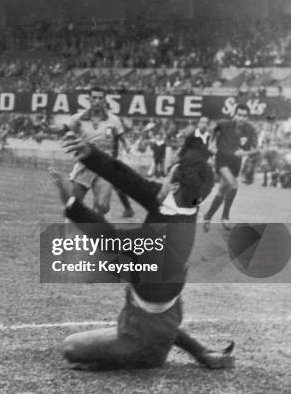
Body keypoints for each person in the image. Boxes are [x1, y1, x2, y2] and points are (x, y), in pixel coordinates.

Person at [50, 136, 233, 370]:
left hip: (146, 324)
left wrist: (72, 202)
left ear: (175, 186)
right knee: (157, 314)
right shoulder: (183, 202)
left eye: (166, 177)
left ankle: (145, 355)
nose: (160, 181)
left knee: (71, 347)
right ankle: (200, 351)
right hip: (164, 305)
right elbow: (128, 180)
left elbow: (108, 239)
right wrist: (92, 154)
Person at [45, 87, 128, 216]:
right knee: (74, 203)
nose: (97, 101)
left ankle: (93, 230)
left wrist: (127, 148)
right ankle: (76, 230)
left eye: (100, 98)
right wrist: (49, 128)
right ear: (89, 99)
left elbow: (121, 137)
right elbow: (62, 128)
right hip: (84, 165)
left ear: (104, 100)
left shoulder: (114, 120)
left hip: (105, 166)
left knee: (102, 206)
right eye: (94, 98)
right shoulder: (78, 118)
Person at [203, 104, 258, 231]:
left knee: (222, 191)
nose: (241, 118)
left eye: (244, 116)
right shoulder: (224, 124)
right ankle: (225, 217)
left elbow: (255, 149)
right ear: (234, 114)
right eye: (239, 115)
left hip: (235, 164)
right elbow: (214, 130)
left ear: (247, 117)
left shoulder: (250, 129)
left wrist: (245, 153)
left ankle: (208, 216)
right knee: (234, 185)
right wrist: (211, 144)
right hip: (222, 161)